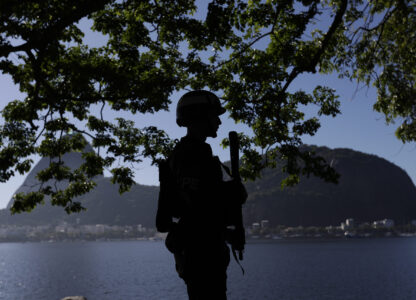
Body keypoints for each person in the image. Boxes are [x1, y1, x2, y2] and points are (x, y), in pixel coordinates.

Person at [156, 90, 247, 300]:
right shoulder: (190, 155)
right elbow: (198, 208)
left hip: (200, 252)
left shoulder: (192, 153)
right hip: (201, 256)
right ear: (199, 116)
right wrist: (231, 193)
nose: (218, 122)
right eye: (215, 116)